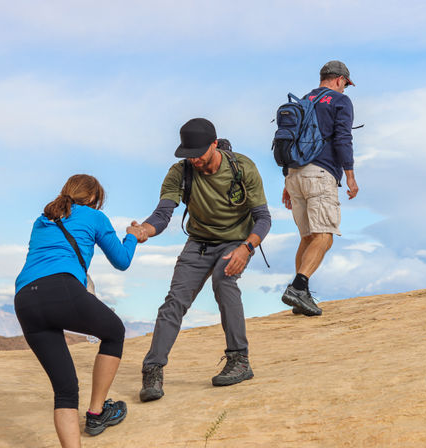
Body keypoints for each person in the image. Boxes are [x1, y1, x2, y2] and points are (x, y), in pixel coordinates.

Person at [133, 118, 271, 402]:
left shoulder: (242, 168)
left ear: (214, 144)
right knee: (175, 301)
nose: (193, 158)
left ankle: (239, 360)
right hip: (198, 243)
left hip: (235, 241)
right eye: (188, 153)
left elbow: (263, 219)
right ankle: (153, 370)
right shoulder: (180, 172)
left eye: (198, 152)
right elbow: (163, 214)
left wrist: (246, 248)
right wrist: (144, 230)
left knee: (224, 282)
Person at [14, 174, 142, 447]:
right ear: (94, 198)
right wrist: (131, 237)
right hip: (61, 289)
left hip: (25, 298)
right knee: (114, 332)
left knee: (65, 392)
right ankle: (97, 413)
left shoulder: (42, 219)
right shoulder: (94, 217)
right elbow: (122, 260)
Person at [280, 60, 359, 317]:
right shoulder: (340, 101)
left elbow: (290, 139)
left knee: (307, 237)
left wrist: (287, 181)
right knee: (324, 235)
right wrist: (350, 176)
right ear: (339, 80)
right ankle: (299, 287)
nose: (345, 89)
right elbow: (343, 138)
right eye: (346, 85)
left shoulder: (304, 100)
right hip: (321, 173)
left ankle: (300, 296)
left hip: (294, 174)